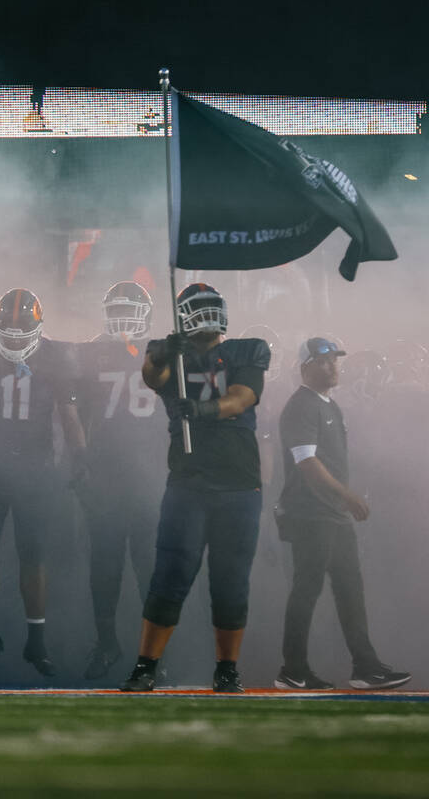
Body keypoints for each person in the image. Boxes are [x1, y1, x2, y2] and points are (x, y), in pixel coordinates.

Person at [120, 283, 269, 693]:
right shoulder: (168, 350)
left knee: (231, 580)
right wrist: (164, 355)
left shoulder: (248, 349)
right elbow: (154, 374)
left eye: (210, 306)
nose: (206, 313)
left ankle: (227, 669)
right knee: (171, 574)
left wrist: (203, 409)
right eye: (197, 307)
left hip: (238, 484)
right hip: (189, 482)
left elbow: (242, 398)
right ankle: (146, 665)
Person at [0, 289, 86, 677]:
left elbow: (69, 416)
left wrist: (80, 457)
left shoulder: (55, 359)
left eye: (21, 329)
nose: (14, 337)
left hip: (36, 469)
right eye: (7, 329)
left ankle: (36, 642)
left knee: (33, 556)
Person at [274, 337, 410, 691]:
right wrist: (346, 495)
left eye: (335, 359)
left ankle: (366, 667)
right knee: (307, 589)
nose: (333, 366)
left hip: (332, 514)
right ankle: (293, 669)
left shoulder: (330, 406)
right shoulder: (301, 406)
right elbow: (306, 461)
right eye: (324, 361)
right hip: (311, 514)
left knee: (350, 590)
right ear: (305, 367)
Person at [75, 282, 165, 680]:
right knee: (105, 567)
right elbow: (72, 412)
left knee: (150, 570)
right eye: (117, 312)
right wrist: (79, 462)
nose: (124, 321)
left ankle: (151, 657)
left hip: (149, 474)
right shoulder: (90, 351)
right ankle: (107, 642)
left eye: (131, 312)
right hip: (107, 473)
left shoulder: (165, 351)